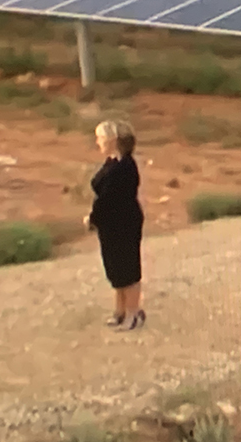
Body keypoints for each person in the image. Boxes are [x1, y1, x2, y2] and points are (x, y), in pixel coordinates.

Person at [85, 120, 146, 331]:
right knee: (116, 269)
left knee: (128, 268)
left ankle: (132, 313)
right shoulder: (112, 162)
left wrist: (94, 218)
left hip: (124, 223)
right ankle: (120, 311)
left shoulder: (125, 167)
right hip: (111, 224)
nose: (97, 141)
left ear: (113, 140)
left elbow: (110, 199)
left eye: (101, 137)